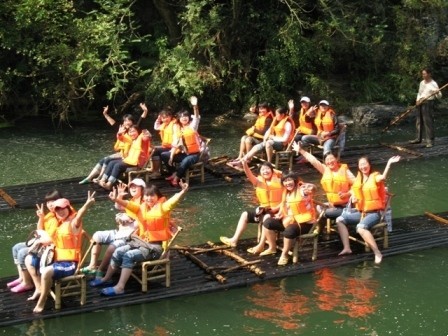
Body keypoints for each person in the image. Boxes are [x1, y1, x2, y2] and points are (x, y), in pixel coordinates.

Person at [95, 181, 188, 296]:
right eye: (147, 195)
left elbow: (174, 201)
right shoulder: (141, 208)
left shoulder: (163, 208)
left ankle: (120, 287)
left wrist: (183, 191)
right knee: (118, 251)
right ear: (143, 197)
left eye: (152, 195)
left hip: (155, 248)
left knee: (128, 256)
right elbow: (127, 204)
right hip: (140, 243)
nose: (149, 198)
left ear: (157, 196)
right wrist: (116, 199)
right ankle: (106, 279)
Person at [25, 191, 96, 313]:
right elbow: (43, 232)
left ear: (68, 208)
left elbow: (79, 216)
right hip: (56, 259)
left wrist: (87, 205)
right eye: (57, 210)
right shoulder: (58, 223)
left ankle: (41, 302)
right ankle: (41, 288)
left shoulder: (73, 223)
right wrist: (41, 218)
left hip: (70, 264)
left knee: (47, 271)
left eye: (63, 208)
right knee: (30, 259)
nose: (60, 211)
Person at [335, 155, 400, 263]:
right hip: (361, 212)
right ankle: (347, 248)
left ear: (369, 165)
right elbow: (353, 191)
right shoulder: (359, 178)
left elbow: (383, 178)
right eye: (361, 165)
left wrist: (389, 163)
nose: (363, 166)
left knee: (360, 228)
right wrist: (346, 195)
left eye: (365, 164)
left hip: (375, 213)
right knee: (339, 219)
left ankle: (377, 252)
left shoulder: (375, 176)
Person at [81, 179, 146, 276]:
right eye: (131, 186)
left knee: (112, 247)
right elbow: (118, 207)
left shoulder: (144, 203)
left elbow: (139, 218)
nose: (133, 188)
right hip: (121, 231)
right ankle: (93, 265)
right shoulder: (132, 200)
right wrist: (119, 195)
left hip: (130, 237)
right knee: (97, 236)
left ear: (143, 189)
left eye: (136, 186)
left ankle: (101, 269)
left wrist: (128, 219)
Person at [249, 173, 317, 266]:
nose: (287, 183)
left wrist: (310, 187)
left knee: (289, 231)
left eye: (290, 180)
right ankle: (272, 247)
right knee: (268, 222)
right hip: (289, 220)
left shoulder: (301, 190)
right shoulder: (287, 193)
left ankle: (284, 255)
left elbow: (312, 189)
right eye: (285, 181)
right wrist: (280, 215)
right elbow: (285, 206)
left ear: (295, 181)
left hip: (305, 223)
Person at [8, 190, 63, 293]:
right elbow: (39, 230)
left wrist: (39, 241)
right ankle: (22, 278)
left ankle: (27, 283)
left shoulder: (61, 216)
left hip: (51, 249)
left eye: (53, 201)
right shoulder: (50, 215)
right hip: (43, 243)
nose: (50, 204)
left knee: (22, 252)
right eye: (48, 202)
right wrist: (41, 218)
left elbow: (54, 239)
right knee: (16, 247)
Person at [220, 159, 283, 249]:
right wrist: (245, 164)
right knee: (245, 214)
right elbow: (248, 174)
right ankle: (234, 240)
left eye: (268, 169)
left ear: (272, 171)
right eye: (263, 169)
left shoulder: (280, 181)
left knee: (266, 218)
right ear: (260, 173)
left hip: (278, 212)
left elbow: (286, 199)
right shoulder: (258, 182)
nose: (265, 171)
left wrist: (276, 209)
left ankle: (260, 245)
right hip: (263, 210)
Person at [79, 103, 148, 184]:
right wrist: (105, 114)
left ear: (132, 122)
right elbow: (113, 123)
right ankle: (89, 177)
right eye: (125, 121)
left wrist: (145, 110)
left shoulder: (135, 129)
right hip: (122, 153)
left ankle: (101, 177)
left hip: (129, 156)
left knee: (108, 160)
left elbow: (142, 119)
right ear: (123, 122)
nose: (127, 122)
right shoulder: (122, 129)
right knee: (104, 160)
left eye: (129, 120)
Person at [292, 141, 355, 219]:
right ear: (325, 162)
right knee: (318, 207)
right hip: (332, 204)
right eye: (327, 160)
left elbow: (357, 186)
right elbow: (313, 161)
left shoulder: (345, 171)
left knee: (326, 212)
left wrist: (348, 194)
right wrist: (301, 150)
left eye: (332, 159)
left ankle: (343, 216)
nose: (329, 161)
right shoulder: (325, 170)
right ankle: (320, 227)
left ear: (336, 159)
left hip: (346, 205)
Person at [97, 125, 152, 190]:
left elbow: (146, 139)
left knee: (117, 165)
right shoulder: (133, 139)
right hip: (130, 160)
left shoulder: (141, 138)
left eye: (134, 131)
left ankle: (109, 184)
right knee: (111, 162)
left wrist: (147, 135)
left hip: (138, 162)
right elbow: (121, 138)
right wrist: (119, 133)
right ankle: (103, 180)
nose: (132, 133)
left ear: (138, 132)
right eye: (130, 132)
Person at [161, 102, 202, 187]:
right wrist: (171, 156)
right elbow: (175, 144)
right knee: (164, 155)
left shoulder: (192, 126)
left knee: (186, 161)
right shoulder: (178, 129)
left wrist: (195, 107)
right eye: (182, 117)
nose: (184, 118)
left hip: (194, 154)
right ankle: (174, 173)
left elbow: (197, 117)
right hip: (183, 154)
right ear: (179, 119)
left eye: (186, 116)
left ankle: (176, 178)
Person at [409, 68, 443, 148]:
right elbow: (420, 93)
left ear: (429, 74)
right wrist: (417, 100)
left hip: (428, 103)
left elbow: (439, 96)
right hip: (420, 102)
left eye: (424, 74)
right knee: (419, 121)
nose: (423, 75)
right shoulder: (422, 83)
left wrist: (437, 92)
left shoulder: (433, 83)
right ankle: (418, 139)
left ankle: (430, 141)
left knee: (428, 122)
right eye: (422, 74)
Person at [148, 107, 177, 178]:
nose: (165, 119)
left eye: (167, 117)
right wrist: (158, 119)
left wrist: (173, 148)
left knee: (164, 154)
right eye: (163, 118)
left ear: (170, 117)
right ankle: (156, 171)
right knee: (154, 151)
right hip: (167, 147)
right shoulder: (164, 125)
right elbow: (156, 127)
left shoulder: (174, 125)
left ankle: (174, 172)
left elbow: (177, 139)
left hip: (175, 148)